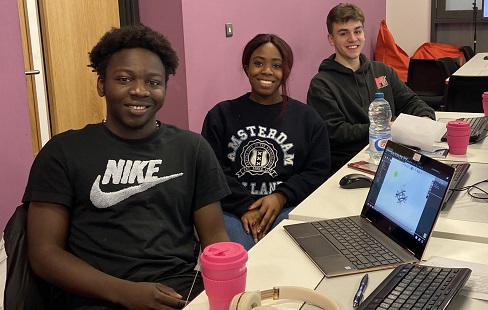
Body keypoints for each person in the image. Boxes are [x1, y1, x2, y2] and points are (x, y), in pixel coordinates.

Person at [23, 24, 231, 309]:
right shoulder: (63, 152)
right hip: (93, 296)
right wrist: (124, 292)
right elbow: (44, 255)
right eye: (124, 79)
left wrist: (229, 288)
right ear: (101, 84)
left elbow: (215, 237)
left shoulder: (192, 149)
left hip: (176, 293)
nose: (139, 90)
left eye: (153, 82)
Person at [201, 34, 331, 250]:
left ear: (286, 71)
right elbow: (212, 171)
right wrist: (245, 206)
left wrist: (281, 196)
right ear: (246, 67)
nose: (267, 71)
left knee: (284, 253)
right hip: (233, 209)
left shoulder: (308, 119)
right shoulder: (221, 115)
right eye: (258, 63)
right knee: (242, 259)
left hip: (287, 207)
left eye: (276, 65)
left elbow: (317, 170)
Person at [307, 3, 436, 174]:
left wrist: (424, 118)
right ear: (331, 39)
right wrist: (387, 127)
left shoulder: (382, 71)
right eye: (343, 33)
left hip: (392, 157)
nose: (352, 39)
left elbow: (411, 102)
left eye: (357, 31)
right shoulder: (321, 85)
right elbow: (335, 133)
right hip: (349, 167)